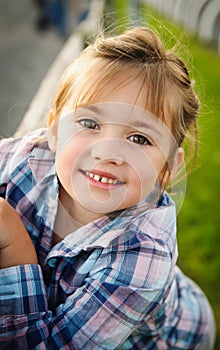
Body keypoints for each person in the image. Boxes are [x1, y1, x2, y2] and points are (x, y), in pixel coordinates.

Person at [0, 26, 216, 349]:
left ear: (166, 169)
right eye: (90, 124)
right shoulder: (28, 158)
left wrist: (14, 244)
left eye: (139, 139)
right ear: (56, 129)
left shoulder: (142, 256)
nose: (109, 152)